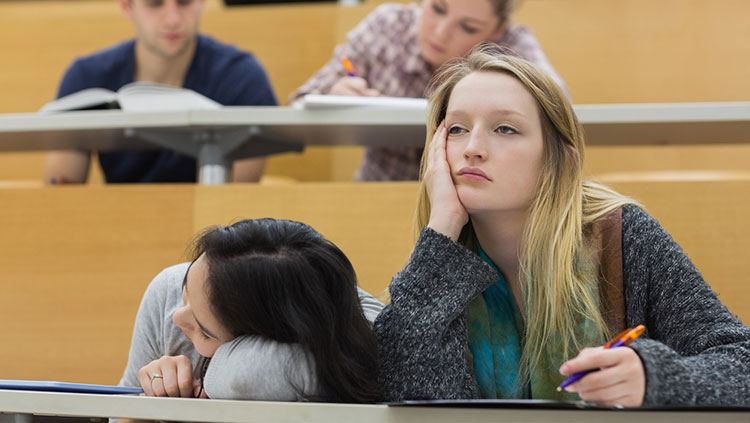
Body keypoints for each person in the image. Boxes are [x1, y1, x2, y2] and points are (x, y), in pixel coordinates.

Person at [374, 47, 750, 406]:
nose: (472, 148)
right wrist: (440, 228)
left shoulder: (621, 234)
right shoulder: (441, 260)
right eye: (456, 129)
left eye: (504, 129)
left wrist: (656, 378)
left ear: (561, 161)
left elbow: (741, 363)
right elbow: (395, 385)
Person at [289, 0, 565, 182]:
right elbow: (301, 99)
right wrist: (334, 92)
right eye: (437, 9)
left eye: (467, 27)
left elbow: (559, 114)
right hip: (380, 190)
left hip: (475, 205)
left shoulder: (512, 46)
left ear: (497, 31)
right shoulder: (388, 26)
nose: (441, 32)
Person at [120, 218, 382, 402]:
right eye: (186, 289)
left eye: (206, 333)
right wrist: (147, 404)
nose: (178, 317)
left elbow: (245, 377)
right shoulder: (168, 292)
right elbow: (119, 414)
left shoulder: (359, 334)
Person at [43, 0, 276, 184]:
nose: (173, 19)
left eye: (184, 2)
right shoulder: (87, 77)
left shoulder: (240, 75)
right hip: (117, 226)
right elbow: (61, 191)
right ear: (127, 6)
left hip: (209, 232)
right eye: (155, 3)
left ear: (202, 2)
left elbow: (235, 199)